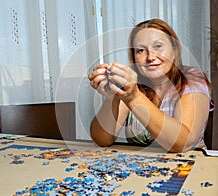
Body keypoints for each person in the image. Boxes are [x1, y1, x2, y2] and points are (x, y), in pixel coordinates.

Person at [88, 18, 211, 153]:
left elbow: (181, 144)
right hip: (141, 167)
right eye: (141, 50)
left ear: (174, 51)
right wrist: (113, 97)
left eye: (158, 46)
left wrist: (133, 97)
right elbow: (102, 140)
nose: (150, 57)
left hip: (192, 167)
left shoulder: (193, 80)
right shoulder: (134, 84)